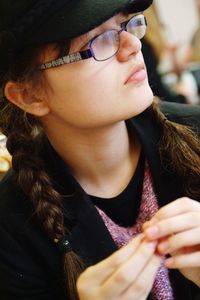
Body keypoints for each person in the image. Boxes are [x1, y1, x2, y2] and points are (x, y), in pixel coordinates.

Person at [0, 0, 200, 300]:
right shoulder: (12, 228)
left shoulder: (195, 134)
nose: (132, 44)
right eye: (99, 40)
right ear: (30, 95)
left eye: (125, 24)